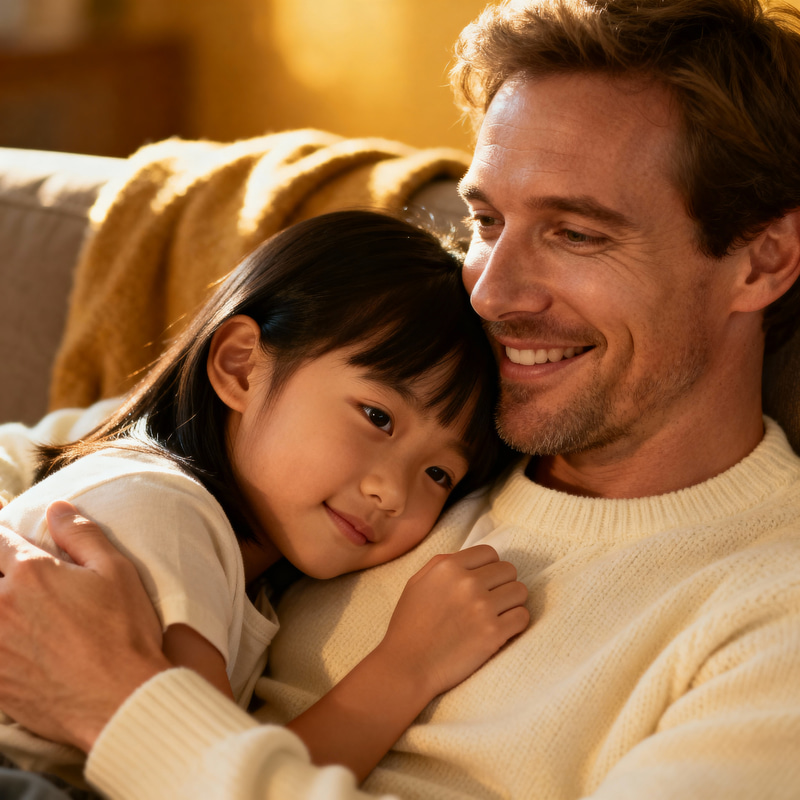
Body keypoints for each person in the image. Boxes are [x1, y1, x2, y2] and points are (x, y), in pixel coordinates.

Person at [2, 0, 800, 797]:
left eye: (576, 234)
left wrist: (115, 705)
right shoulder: (454, 400)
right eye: (486, 220)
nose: (490, 294)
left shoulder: (770, 615)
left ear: (763, 260)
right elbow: (78, 453)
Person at [0, 210, 528, 790]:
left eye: (438, 473)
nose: (393, 492)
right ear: (242, 367)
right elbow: (206, 777)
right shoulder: (162, 513)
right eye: (377, 417)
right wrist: (408, 666)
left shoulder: (216, 546)